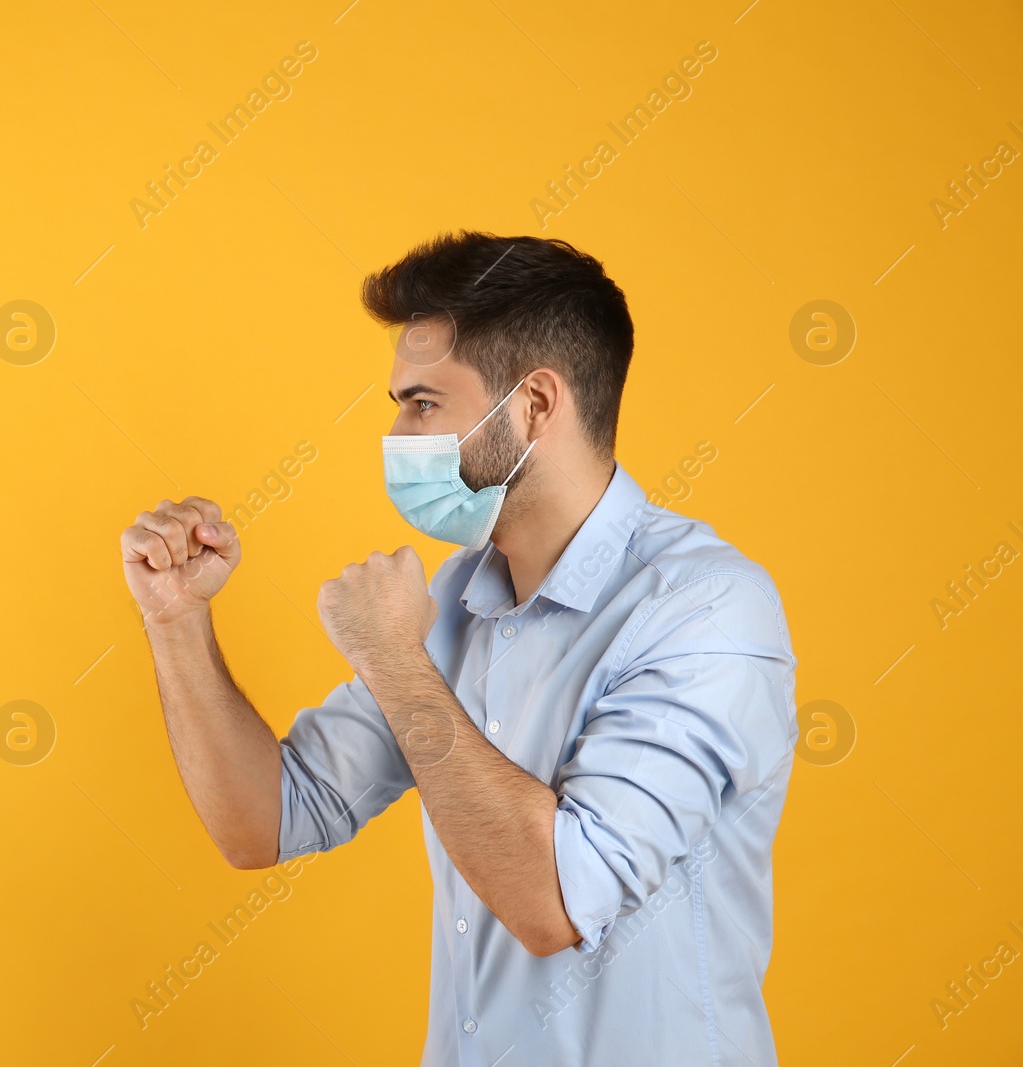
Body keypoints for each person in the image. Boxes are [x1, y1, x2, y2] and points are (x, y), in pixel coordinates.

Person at [119, 231, 797, 1066]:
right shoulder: (456, 599)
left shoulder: (705, 610)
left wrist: (395, 661)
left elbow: (558, 901)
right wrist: (177, 620)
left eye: (423, 403)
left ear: (535, 405)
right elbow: (265, 820)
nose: (399, 433)